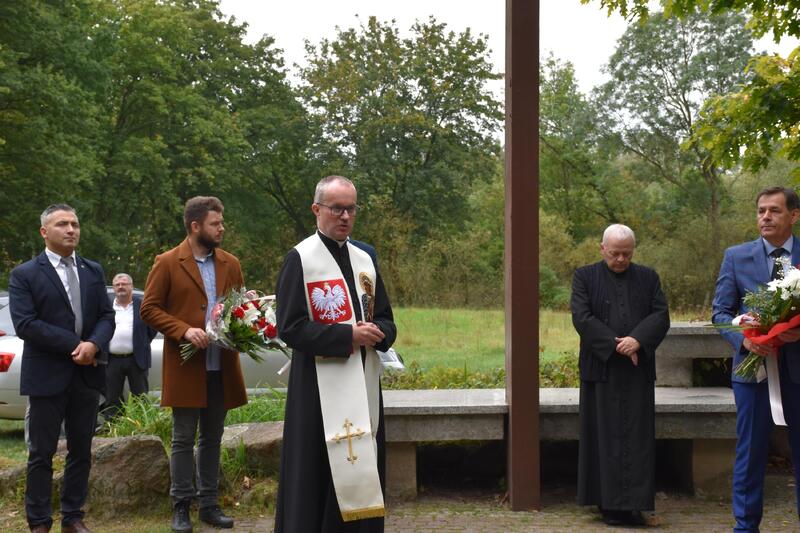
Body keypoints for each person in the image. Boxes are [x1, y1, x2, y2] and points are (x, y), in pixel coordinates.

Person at [274, 175, 397, 532]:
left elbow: (386, 317)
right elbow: (291, 327)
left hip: (363, 379)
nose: (345, 216)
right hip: (317, 390)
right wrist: (348, 335)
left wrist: (379, 334)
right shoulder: (300, 259)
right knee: (317, 472)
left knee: (364, 464)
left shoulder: (365, 257)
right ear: (317, 210)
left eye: (351, 209)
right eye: (336, 208)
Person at [140, 196, 247, 532]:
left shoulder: (231, 263)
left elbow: (241, 309)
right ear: (195, 226)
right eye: (216, 224)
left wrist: (247, 325)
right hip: (186, 368)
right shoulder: (168, 262)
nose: (222, 228)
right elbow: (150, 309)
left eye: (222, 222)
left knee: (212, 438)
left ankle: (210, 505)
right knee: (184, 438)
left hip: (222, 366)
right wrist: (184, 330)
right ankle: (181, 506)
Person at [9, 204, 116, 533]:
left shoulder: (92, 270)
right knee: (41, 453)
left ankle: (73, 517)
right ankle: (39, 521)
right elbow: (26, 324)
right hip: (47, 375)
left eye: (75, 224)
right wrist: (76, 344)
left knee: (81, 450)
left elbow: (106, 316)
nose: (71, 230)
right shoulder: (25, 274)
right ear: (44, 232)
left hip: (87, 372)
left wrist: (94, 344)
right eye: (62, 224)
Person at [712, 186, 800, 532]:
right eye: (761, 210)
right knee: (750, 453)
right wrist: (744, 342)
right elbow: (720, 312)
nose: (766, 216)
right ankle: (745, 527)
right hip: (752, 373)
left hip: (797, 372)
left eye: (775, 211)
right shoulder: (736, 256)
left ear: (793, 215)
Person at [570, 223, 670, 526]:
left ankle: (636, 504)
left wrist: (637, 340)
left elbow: (661, 314)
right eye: (615, 254)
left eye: (627, 254)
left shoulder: (648, 277)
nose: (621, 260)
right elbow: (582, 317)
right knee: (603, 438)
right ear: (603, 249)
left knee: (637, 440)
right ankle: (608, 504)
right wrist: (617, 345)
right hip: (601, 369)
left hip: (638, 371)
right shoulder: (584, 277)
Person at [101, 273, 157, 421]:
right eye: (117, 284)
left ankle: (144, 428)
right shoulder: (107, 306)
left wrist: (141, 344)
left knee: (141, 397)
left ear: (131, 286)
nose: (121, 287)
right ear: (114, 288)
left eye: (124, 284)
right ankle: (113, 430)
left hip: (136, 358)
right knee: (112, 398)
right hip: (111, 360)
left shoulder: (143, 305)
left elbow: (152, 328)